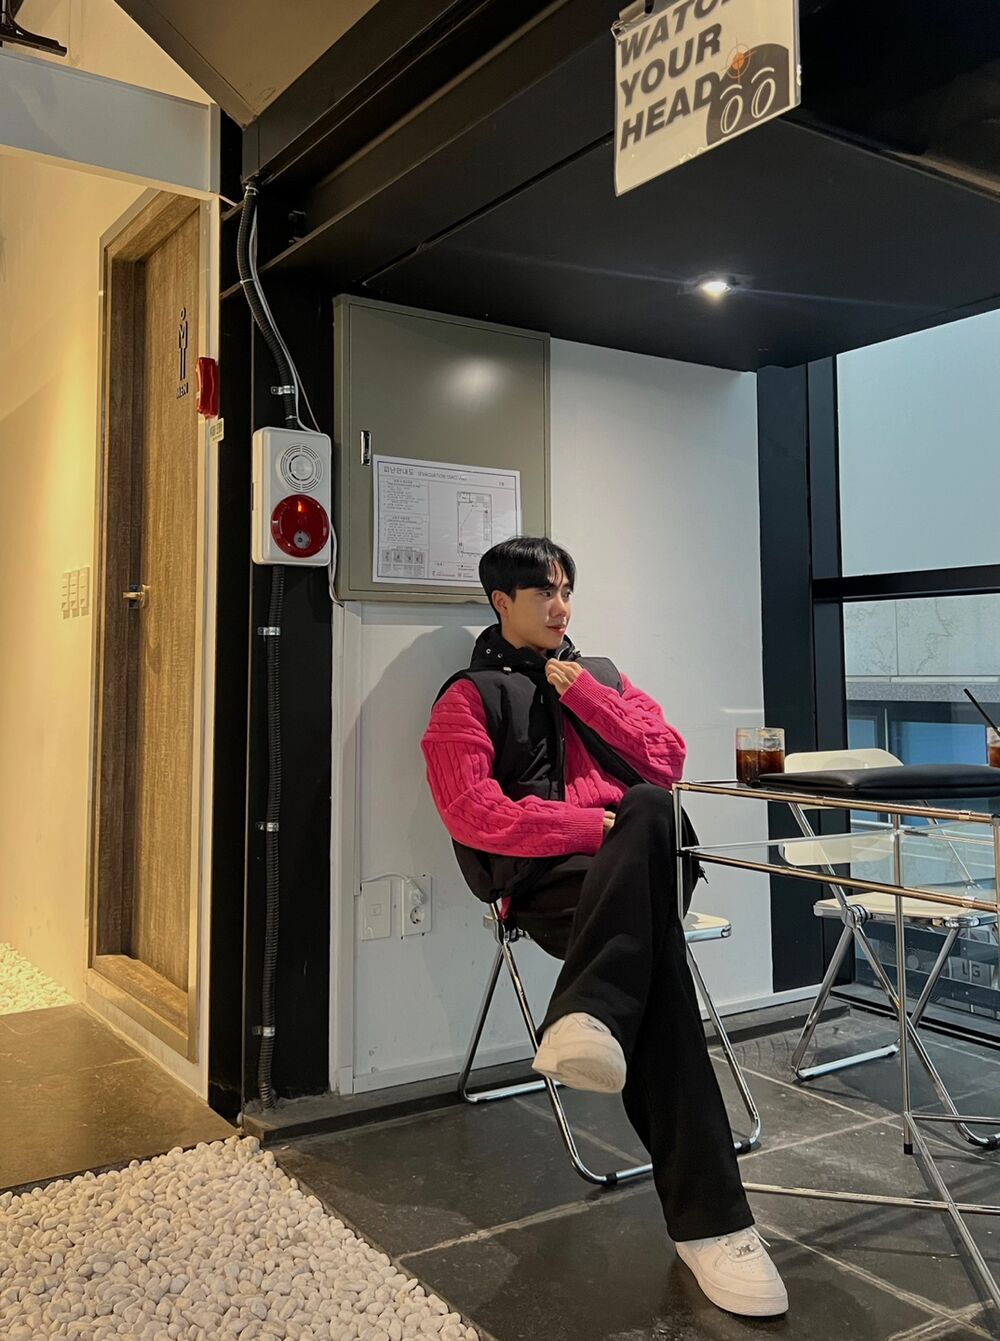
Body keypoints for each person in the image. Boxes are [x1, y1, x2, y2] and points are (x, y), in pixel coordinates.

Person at [421, 536, 788, 1319]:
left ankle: (588, 1011)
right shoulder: (469, 698)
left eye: (567, 590)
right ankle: (714, 1225)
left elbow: (668, 758)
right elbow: (473, 812)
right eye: (543, 592)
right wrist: (596, 827)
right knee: (657, 961)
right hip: (555, 886)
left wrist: (588, 696)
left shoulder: (606, 677)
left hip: (645, 866)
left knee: (654, 804)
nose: (561, 606)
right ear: (502, 601)